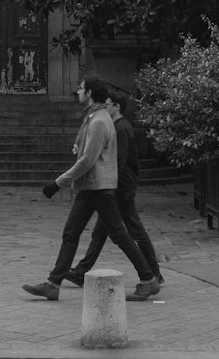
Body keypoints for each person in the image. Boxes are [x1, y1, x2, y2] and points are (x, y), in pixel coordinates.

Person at [22, 76, 161, 303]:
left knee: (119, 235)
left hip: (99, 186)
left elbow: (88, 160)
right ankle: (53, 284)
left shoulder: (98, 121)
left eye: (81, 89)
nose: (78, 92)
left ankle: (149, 279)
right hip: (92, 186)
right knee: (72, 233)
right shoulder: (94, 117)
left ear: (90, 93)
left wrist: (58, 183)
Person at [63, 89, 163, 286]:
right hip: (114, 187)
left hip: (119, 188)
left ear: (116, 107)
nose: (104, 108)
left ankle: (153, 273)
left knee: (133, 230)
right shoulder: (116, 126)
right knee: (102, 231)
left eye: (107, 105)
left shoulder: (121, 128)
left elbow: (118, 160)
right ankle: (81, 271)